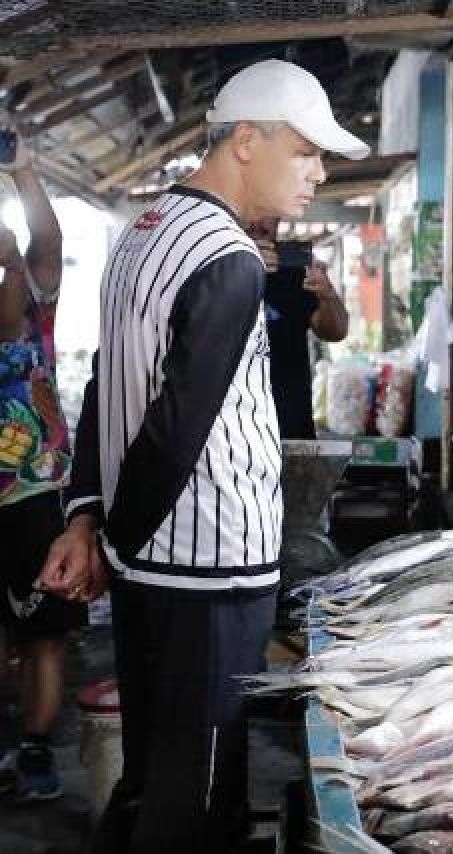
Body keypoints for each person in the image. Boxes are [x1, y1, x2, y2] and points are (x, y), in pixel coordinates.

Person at [38, 59, 368, 852]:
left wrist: (90, 519)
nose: (317, 175)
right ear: (246, 141)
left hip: (158, 571)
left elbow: (107, 389)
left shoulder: (142, 233)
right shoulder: (227, 261)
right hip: (209, 572)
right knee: (199, 800)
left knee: (157, 778)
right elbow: (176, 428)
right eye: (306, 152)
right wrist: (113, 542)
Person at [0, 125, 84, 801]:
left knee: (44, 635)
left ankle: (34, 754)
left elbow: (47, 243)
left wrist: (26, 174)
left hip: (33, 495)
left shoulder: (36, 312)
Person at [247, 220, 348, 439]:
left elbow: (335, 332)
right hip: (233, 428)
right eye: (255, 213)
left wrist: (327, 294)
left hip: (289, 426)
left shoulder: (293, 271)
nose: (261, 224)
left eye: (269, 216)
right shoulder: (213, 268)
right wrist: (241, 267)